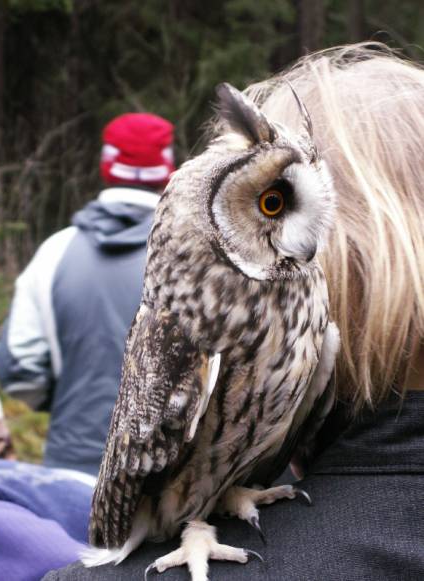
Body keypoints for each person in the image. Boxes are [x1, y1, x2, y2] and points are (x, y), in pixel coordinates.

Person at [42, 43, 424, 581]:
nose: (307, 241)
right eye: (274, 203)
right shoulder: (182, 333)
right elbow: (131, 487)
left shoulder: (312, 338)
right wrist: (193, 517)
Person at [0, 112, 175, 476]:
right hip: (168, 480)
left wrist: (70, 401)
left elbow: (20, 372)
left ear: (107, 164)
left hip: (71, 473)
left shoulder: (55, 252)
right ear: (167, 167)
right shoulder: (193, 255)